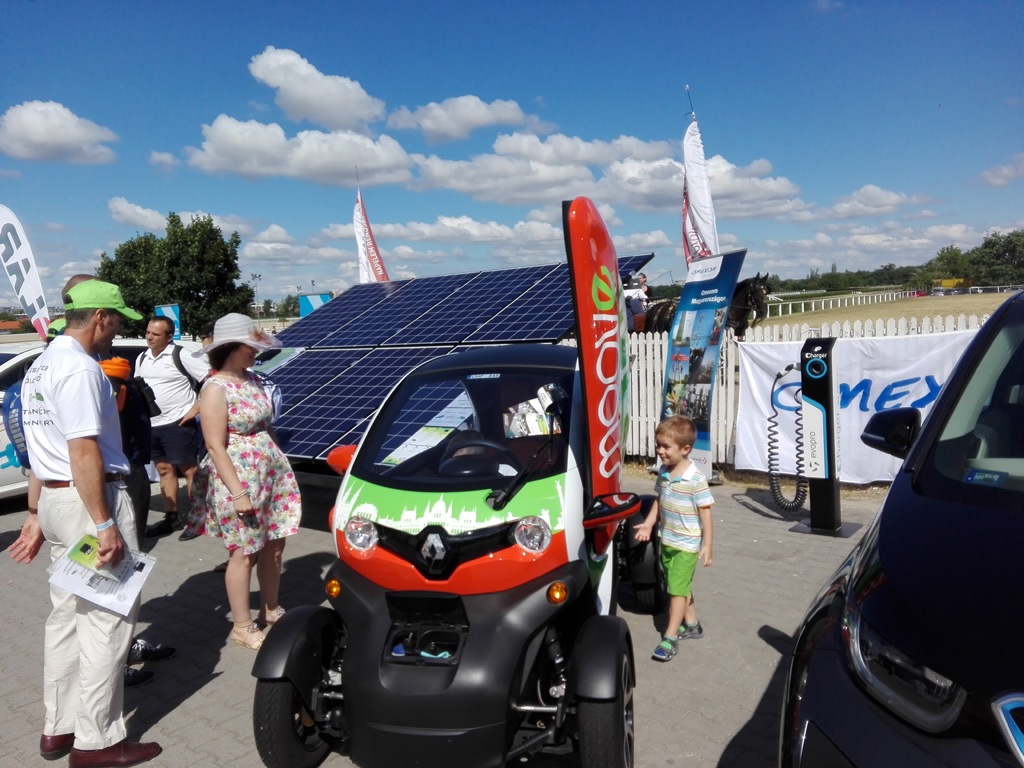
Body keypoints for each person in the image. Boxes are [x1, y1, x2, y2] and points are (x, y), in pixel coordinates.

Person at [6, 279, 161, 766]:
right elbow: (82, 449)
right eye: (116, 321)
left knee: (67, 616)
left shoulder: (41, 364)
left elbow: (41, 449)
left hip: (58, 500)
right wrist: (103, 523)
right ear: (99, 317)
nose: (117, 332)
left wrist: (36, 512)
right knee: (107, 621)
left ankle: (59, 728)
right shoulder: (79, 369)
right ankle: (98, 741)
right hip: (89, 502)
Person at [186, 313, 301, 650]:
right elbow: (214, 446)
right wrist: (238, 493)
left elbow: (267, 426)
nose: (255, 351)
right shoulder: (215, 389)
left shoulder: (252, 380)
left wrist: (280, 468)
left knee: (274, 546)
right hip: (239, 479)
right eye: (249, 346)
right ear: (231, 347)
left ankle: (270, 608)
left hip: (270, 474)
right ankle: (242, 625)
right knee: (244, 552)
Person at [97, 356, 177, 683]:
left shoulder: (112, 375)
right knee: (118, 573)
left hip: (128, 473)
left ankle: (126, 646)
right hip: (117, 478)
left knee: (129, 566)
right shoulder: (98, 378)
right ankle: (113, 663)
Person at [633, 414, 714, 662]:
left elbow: (706, 513)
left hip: (686, 545)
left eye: (666, 447)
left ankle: (669, 638)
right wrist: (648, 523)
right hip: (667, 539)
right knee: (679, 586)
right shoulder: (664, 472)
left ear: (685, 449)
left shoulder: (696, 479)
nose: (660, 451)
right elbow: (659, 501)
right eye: (658, 445)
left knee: (675, 592)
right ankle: (693, 624)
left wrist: (708, 545)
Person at [134, 315, 210, 537]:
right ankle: (172, 518)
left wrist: (197, 408)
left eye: (155, 334)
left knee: (189, 471)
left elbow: (211, 379)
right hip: (153, 425)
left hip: (179, 423)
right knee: (164, 470)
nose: (149, 337)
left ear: (169, 337)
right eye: (148, 332)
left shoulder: (180, 355)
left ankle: (198, 518)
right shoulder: (142, 357)